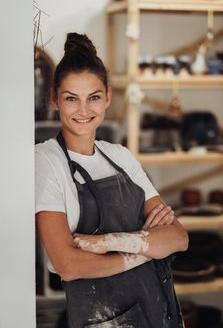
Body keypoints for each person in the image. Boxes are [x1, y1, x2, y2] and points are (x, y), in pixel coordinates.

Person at [35, 32, 189, 328]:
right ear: (54, 99)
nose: (83, 110)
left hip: (161, 309)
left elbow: (178, 238)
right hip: (105, 321)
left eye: (93, 97)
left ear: (107, 98)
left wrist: (104, 243)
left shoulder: (120, 156)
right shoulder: (46, 160)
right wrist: (146, 251)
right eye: (71, 99)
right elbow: (68, 265)